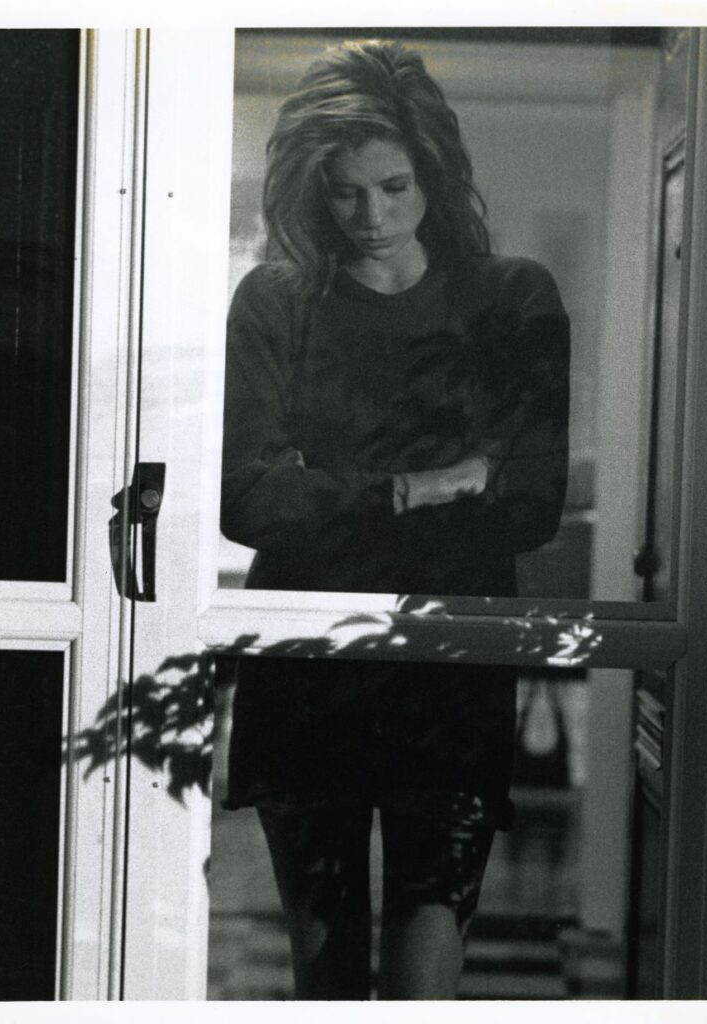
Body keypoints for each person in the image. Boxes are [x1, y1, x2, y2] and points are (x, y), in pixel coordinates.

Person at [219, 39, 570, 1000]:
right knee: (323, 960)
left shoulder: (509, 299)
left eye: (394, 186)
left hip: (450, 651)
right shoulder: (277, 302)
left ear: (435, 176)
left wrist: (323, 489)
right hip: (307, 656)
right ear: (309, 192)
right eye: (346, 194)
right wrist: (426, 488)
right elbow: (248, 499)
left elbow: (529, 505)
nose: (373, 217)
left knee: (429, 933)